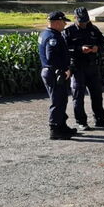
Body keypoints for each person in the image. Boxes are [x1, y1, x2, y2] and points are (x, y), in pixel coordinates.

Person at [64, 7, 104, 130]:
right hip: (77, 67)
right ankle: (81, 122)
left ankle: (100, 119)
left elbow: (102, 43)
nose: (84, 23)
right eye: (81, 21)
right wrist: (79, 49)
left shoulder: (93, 29)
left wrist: (97, 48)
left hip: (92, 67)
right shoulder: (69, 31)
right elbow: (65, 49)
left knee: (97, 95)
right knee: (78, 96)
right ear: (75, 18)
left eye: (86, 21)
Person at [39, 11, 76, 140]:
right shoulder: (52, 37)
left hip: (51, 72)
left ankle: (62, 126)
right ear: (56, 22)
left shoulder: (46, 33)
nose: (65, 24)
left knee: (61, 99)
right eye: (63, 22)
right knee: (57, 101)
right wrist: (64, 69)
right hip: (54, 73)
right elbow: (51, 58)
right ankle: (55, 129)